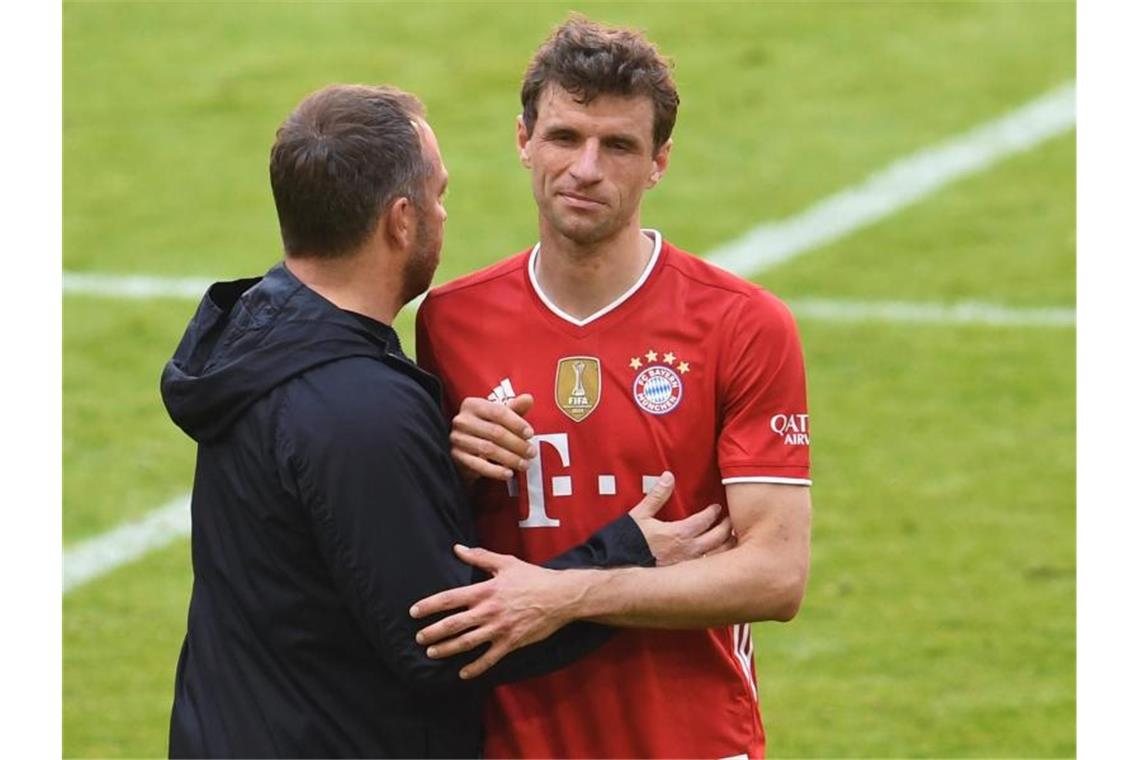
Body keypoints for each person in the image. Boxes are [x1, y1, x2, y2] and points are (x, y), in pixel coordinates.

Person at [159, 83, 728, 758]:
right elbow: (439, 641)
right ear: (401, 220)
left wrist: (444, 476)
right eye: (438, 193)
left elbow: (333, 537)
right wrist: (626, 557)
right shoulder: (357, 405)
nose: (443, 213)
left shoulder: (259, 342)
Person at [413, 16, 813, 759]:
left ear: (659, 161)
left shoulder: (743, 324)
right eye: (565, 137)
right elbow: (422, 541)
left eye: (618, 145)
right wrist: (454, 466)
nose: (586, 168)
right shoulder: (450, 320)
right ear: (523, 140)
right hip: (512, 741)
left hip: (692, 739)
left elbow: (776, 574)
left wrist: (569, 594)